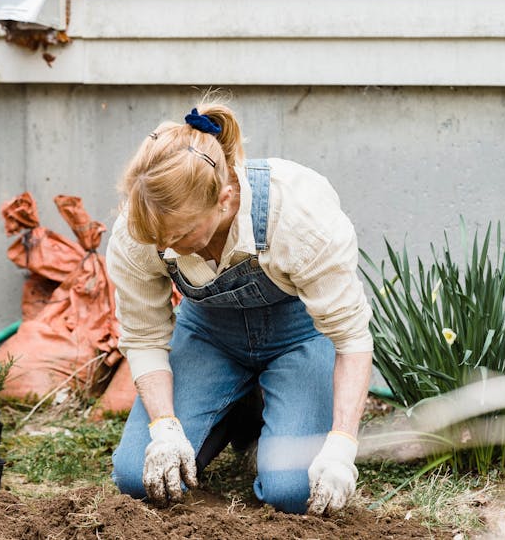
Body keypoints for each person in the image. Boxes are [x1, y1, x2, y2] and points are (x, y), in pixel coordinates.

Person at [107, 100, 373, 515]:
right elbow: (143, 337)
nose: (165, 248)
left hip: (300, 336)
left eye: (180, 235)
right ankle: (235, 412)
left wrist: (340, 448)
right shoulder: (144, 229)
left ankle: (264, 414)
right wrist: (164, 429)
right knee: (135, 477)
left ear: (225, 201)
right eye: (158, 239)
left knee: (294, 492)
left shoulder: (300, 215)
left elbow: (352, 339)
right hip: (209, 337)